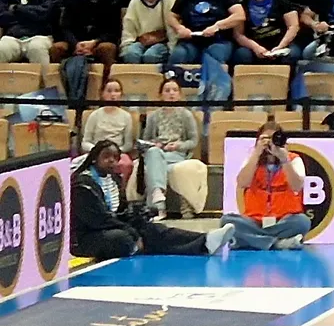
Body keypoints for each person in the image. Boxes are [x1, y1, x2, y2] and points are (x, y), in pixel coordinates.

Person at [72, 141, 234, 259]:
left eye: (115, 157)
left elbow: (118, 212)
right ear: (94, 158)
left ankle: (205, 241)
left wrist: (136, 215)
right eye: (106, 156)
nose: (112, 161)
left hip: (109, 226)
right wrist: (132, 231)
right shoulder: (83, 184)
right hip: (87, 236)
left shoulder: (113, 179)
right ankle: (140, 243)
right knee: (122, 238)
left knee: (152, 229)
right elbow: (99, 220)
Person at [221, 122, 310, 250]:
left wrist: (284, 159)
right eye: (265, 139)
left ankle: (252, 240)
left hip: (283, 219)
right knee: (227, 221)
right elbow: (242, 183)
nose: (270, 144)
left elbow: (297, 186)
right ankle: (278, 243)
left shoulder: (293, 160)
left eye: (273, 139)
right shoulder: (252, 159)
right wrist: (256, 153)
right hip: (254, 220)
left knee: (302, 222)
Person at [141, 74, 202, 219]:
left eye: (174, 90)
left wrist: (178, 145)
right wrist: (155, 144)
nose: (171, 93)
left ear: (180, 94)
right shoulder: (153, 116)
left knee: (154, 167)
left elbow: (193, 141)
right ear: (161, 95)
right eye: (167, 90)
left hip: (176, 154)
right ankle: (158, 195)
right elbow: (145, 140)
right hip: (157, 152)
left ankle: (158, 207)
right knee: (153, 153)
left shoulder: (186, 115)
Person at [165, 0, 245, 65]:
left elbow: (239, 15)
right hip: (191, 39)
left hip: (218, 40)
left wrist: (217, 26)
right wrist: (179, 28)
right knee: (178, 55)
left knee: (212, 56)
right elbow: (171, 16)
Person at [233, 0, 301, 65]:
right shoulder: (243, 5)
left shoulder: (282, 0)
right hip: (255, 46)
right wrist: (256, 47)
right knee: (241, 54)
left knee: (292, 54)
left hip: (281, 43)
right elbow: (238, 34)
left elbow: (293, 26)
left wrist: (280, 46)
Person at [81, 78, 135, 183]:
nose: (113, 94)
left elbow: (128, 145)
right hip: (96, 153)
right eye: (109, 91)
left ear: (121, 94)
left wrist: (115, 152)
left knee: (126, 164)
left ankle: (119, 191)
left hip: (118, 153)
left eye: (117, 91)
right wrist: (97, 151)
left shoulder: (126, 116)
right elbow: (85, 142)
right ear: (102, 94)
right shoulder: (94, 115)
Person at [119, 0, 175, 64]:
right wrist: (127, 45)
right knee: (131, 54)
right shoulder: (135, 1)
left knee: (151, 56)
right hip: (141, 40)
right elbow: (129, 27)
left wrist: (172, 48)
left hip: (163, 41)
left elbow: (173, 29)